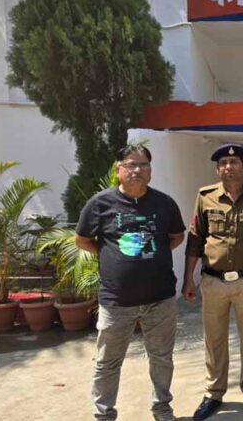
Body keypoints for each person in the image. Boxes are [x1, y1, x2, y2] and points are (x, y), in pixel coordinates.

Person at [76, 144, 185, 421]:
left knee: (162, 358)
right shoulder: (100, 204)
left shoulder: (165, 203)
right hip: (116, 301)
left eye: (143, 165)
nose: (137, 170)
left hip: (160, 298)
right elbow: (83, 240)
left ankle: (162, 408)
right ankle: (104, 414)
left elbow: (176, 237)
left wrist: (148, 256)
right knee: (107, 362)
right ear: (118, 169)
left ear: (150, 170)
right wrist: (111, 255)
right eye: (130, 164)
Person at [183, 143, 243, 421]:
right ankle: (214, 393)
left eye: (234, 162)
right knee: (214, 339)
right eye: (223, 163)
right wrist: (188, 279)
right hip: (213, 281)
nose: (228, 167)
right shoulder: (205, 197)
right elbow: (195, 239)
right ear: (217, 169)